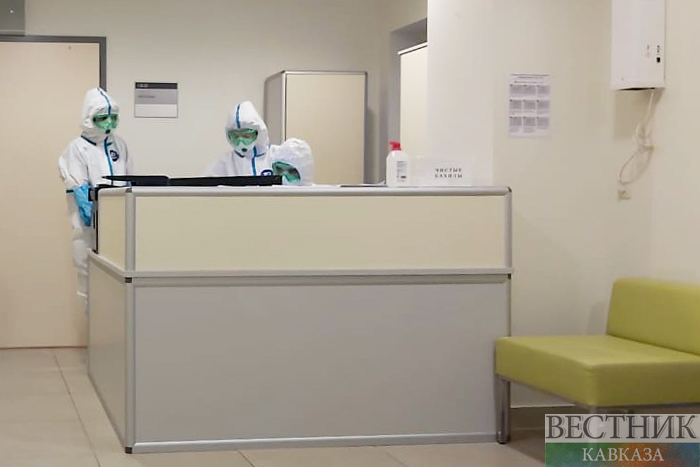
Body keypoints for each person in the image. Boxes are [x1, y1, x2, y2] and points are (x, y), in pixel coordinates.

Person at [58, 87, 133, 308]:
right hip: (88, 231)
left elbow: (130, 182)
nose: (109, 123)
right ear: (88, 118)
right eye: (103, 118)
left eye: (113, 117)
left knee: (118, 286)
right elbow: (81, 192)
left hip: (120, 230)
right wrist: (96, 218)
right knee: (90, 285)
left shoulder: (119, 145)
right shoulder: (77, 148)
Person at [205, 101, 276, 177]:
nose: (240, 142)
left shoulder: (276, 155)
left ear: (259, 133)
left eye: (246, 136)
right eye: (235, 136)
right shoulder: (224, 163)